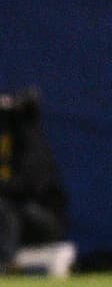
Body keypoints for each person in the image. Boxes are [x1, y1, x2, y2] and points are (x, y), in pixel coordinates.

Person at [0, 88, 69, 272]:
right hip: (12, 219)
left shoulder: (32, 145)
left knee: (6, 207)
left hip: (43, 222)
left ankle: (4, 264)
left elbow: (27, 186)